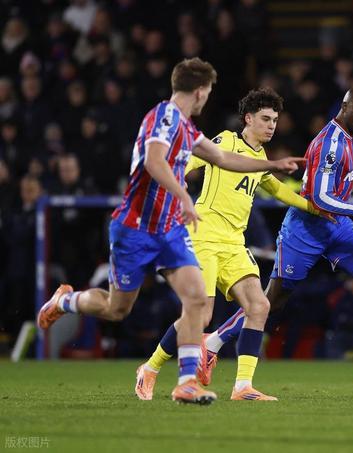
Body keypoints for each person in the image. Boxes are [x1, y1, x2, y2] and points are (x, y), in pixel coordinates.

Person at [37, 58, 304, 405]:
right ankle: (66, 301)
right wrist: (183, 195)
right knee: (117, 308)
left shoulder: (189, 130)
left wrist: (272, 165)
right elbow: (154, 161)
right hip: (136, 227)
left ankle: (193, 382)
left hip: (172, 230)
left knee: (202, 303)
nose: (208, 98)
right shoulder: (163, 117)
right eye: (208, 91)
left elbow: (224, 159)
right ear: (199, 91)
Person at [195, 87, 353, 397]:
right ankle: (213, 342)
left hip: (335, 224)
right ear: (344, 107)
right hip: (305, 228)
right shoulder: (330, 143)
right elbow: (320, 198)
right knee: (271, 302)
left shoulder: (349, 138)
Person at [135, 87, 331, 401]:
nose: (271, 125)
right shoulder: (226, 141)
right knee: (200, 316)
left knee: (259, 306)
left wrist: (314, 207)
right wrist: (176, 181)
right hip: (204, 236)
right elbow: (191, 161)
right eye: (265, 119)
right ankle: (150, 368)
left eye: (275, 120)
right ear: (248, 119)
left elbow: (277, 190)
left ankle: (243, 387)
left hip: (234, 243)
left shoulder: (261, 158)